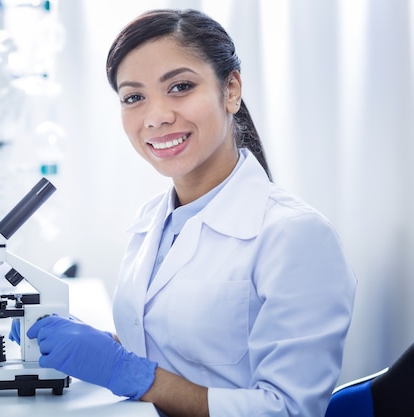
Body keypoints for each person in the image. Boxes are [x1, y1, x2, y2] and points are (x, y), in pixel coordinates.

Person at [22, 8, 357, 417]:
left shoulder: (295, 235)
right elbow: (173, 353)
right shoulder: (153, 220)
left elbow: (288, 410)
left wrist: (127, 371)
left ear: (231, 90)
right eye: (134, 97)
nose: (157, 116)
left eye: (180, 86)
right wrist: (94, 345)